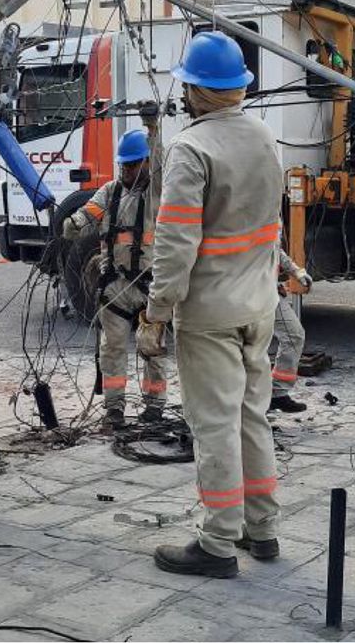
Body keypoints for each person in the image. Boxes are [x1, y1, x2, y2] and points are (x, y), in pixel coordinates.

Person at [140, 31, 284, 579]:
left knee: (215, 424)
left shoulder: (191, 148)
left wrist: (157, 313)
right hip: (258, 305)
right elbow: (268, 228)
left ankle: (219, 542)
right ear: (239, 88)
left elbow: (176, 246)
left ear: (195, 89)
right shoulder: (267, 138)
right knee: (252, 416)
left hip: (210, 312)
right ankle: (262, 529)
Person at [61, 128, 171, 429]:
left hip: (149, 286)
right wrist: (75, 222)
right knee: (112, 350)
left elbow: (161, 162)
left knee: (152, 349)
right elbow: (90, 211)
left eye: (133, 164)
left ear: (146, 163)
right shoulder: (111, 191)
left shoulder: (155, 193)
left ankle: (155, 407)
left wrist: (153, 128)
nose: (126, 170)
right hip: (115, 287)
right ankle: (114, 410)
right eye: (124, 164)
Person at [269, 248, 314, 413]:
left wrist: (297, 272)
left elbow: (274, 249)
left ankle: (278, 394)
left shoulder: (269, 222)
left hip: (267, 292)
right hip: (247, 292)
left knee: (294, 334)